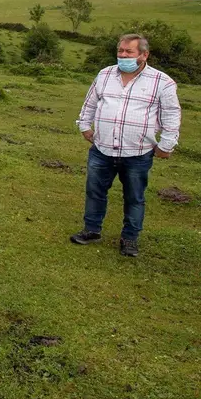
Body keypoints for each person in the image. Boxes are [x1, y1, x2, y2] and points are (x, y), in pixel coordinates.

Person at [70, 33, 181, 257]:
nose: (123, 56)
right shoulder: (105, 74)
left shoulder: (162, 82)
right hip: (102, 149)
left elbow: (171, 115)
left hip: (137, 152)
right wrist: (84, 126)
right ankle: (91, 230)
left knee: (134, 197)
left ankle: (129, 239)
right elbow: (90, 103)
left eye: (129, 52)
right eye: (120, 51)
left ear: (144, 54)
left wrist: (166, 144)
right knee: (95, 192)